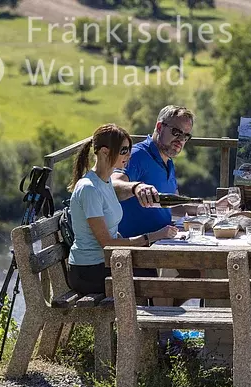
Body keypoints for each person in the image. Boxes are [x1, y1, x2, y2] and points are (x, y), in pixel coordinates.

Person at [67, 123, 177, 296]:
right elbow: (107, 244)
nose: (129, 155)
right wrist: (154, 236)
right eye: (124, 150)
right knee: (149, 280)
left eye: (129, 150)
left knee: (150, 274)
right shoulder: (89, 188)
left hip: (104, 263)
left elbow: (112, 236)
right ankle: (146, 322)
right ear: (104, 152)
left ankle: (153, 321)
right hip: (88, 271)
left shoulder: (106, 182)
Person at [111, 105, 225, 238]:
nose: (181, 140)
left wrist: (214, 206)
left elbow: (176, 206)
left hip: (162, 241)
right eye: (176, 132)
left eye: (186, 136)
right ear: (159, 127)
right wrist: (137, 187)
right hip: (138, 247)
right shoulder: (138, 155)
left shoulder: (168, 161)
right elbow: (111, 185)